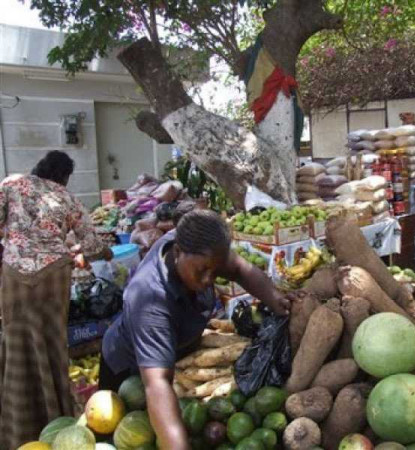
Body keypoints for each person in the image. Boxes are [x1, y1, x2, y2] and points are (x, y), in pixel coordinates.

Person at [100, 210, 292, 450]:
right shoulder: (150, 302)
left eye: (215, 270)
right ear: (178, 253)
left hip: (173, 357)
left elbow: (239, 269)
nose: (209, 279)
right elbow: (157, 384)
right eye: (202, 271)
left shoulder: (201, 247)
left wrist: (277, 300)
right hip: (131, 372)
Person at [0, 151, 112, 449]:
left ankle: (15, 426)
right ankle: (54, 418)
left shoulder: (11, 184)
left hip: (14, 276)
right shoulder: (67, 198)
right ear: (64, 176)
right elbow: (91, 243)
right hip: (53, 277)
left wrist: (15, 244)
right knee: (51, 344)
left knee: (16, 343)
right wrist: (94, 253)